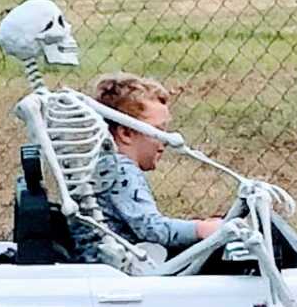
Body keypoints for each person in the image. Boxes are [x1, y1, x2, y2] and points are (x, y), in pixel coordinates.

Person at [79, 73, 222, 262]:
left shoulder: (104, 164)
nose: (165, 140)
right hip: (119, 267)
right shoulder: (120, 171)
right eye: (157, 131)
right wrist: (201, 229)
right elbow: (151, 229)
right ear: (126, 133)